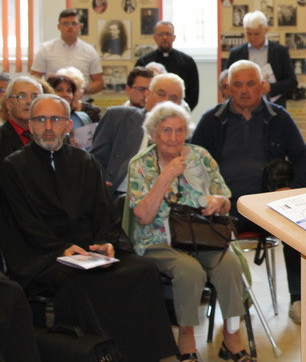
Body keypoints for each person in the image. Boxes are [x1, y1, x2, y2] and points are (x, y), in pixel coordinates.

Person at [0, 94, 177, 360]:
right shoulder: (13, 167)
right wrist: (61, 249)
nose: (48, 127)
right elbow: (23, 223)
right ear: (31, 125)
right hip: (43, 255)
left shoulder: (85, 161)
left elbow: (104, 211)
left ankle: (144, 354)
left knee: (143, 270)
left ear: (68, 125)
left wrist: (106, 242)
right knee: (80, 282)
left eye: (56, 119)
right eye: (40, 120)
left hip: (89, 249)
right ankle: (99, 353)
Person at [125, 101, 252, 361]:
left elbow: (226, 198)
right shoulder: (140, 164)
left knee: (230, 264)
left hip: (201, 236)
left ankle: (232, 337)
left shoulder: (200, 156)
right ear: (153, 134)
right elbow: (143, 216)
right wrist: (165, 177)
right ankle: (186, 338)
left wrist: (219, 202)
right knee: (189, 270)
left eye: (180, 130)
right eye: (166, 131)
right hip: (157, 239)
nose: (174, 137)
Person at [192, 60, 306, 325]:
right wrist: (208, 197)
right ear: (227, 88)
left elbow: (303, 158)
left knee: (299, 227)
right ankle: (237, 300)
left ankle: (298, 299)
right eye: (238, 84)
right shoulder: (212, 120)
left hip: (269, 205)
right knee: (209, 235)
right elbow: (193, 164)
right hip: (226, 207)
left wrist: (292, 190)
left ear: (261, 86)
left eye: (250, 84)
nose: (245, 90)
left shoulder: (279, 117)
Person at [91, 73, 185, 199]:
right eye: (160, 94)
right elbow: (94, 161)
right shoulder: (118, 117)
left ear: (180, 104)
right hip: (117, 195)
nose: (165, 101)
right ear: (148, 94)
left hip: (163, 199)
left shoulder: (182, 134)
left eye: (173, 98)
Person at [225, 11, 297, 108]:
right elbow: (227, 80)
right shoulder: (236, 53)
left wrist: (271, 87)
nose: (252, 38)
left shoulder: (280, 51)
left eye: (256, 34)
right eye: (249, 34)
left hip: (273, 107)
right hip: (242, 107)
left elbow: (292, 82)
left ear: (266, 30)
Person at [30, 9, 104, 94]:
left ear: (80, 26)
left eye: (74, 23)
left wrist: (83, 90)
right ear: (59, 27)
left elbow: (99, 82)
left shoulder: (90, 51)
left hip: (82, 99)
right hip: (54, 99)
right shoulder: (45, 49)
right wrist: (50, 90)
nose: (70, 27)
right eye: (65, 23)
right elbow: (34, 79)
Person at [134, 21, 200, 110]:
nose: (165, 37)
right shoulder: (143, 62)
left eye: (168, 34)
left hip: (178, 111)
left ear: (174, 37)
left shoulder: (187, 62)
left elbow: (193, 94)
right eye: (161, 34)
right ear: (155, 37)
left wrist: (180, 110)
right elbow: (139, 90)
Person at [0, 76, 44, 161]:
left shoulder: (53, 135)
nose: (29, 102)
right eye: (21, 96)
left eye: (35, 97)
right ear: (9, 104)